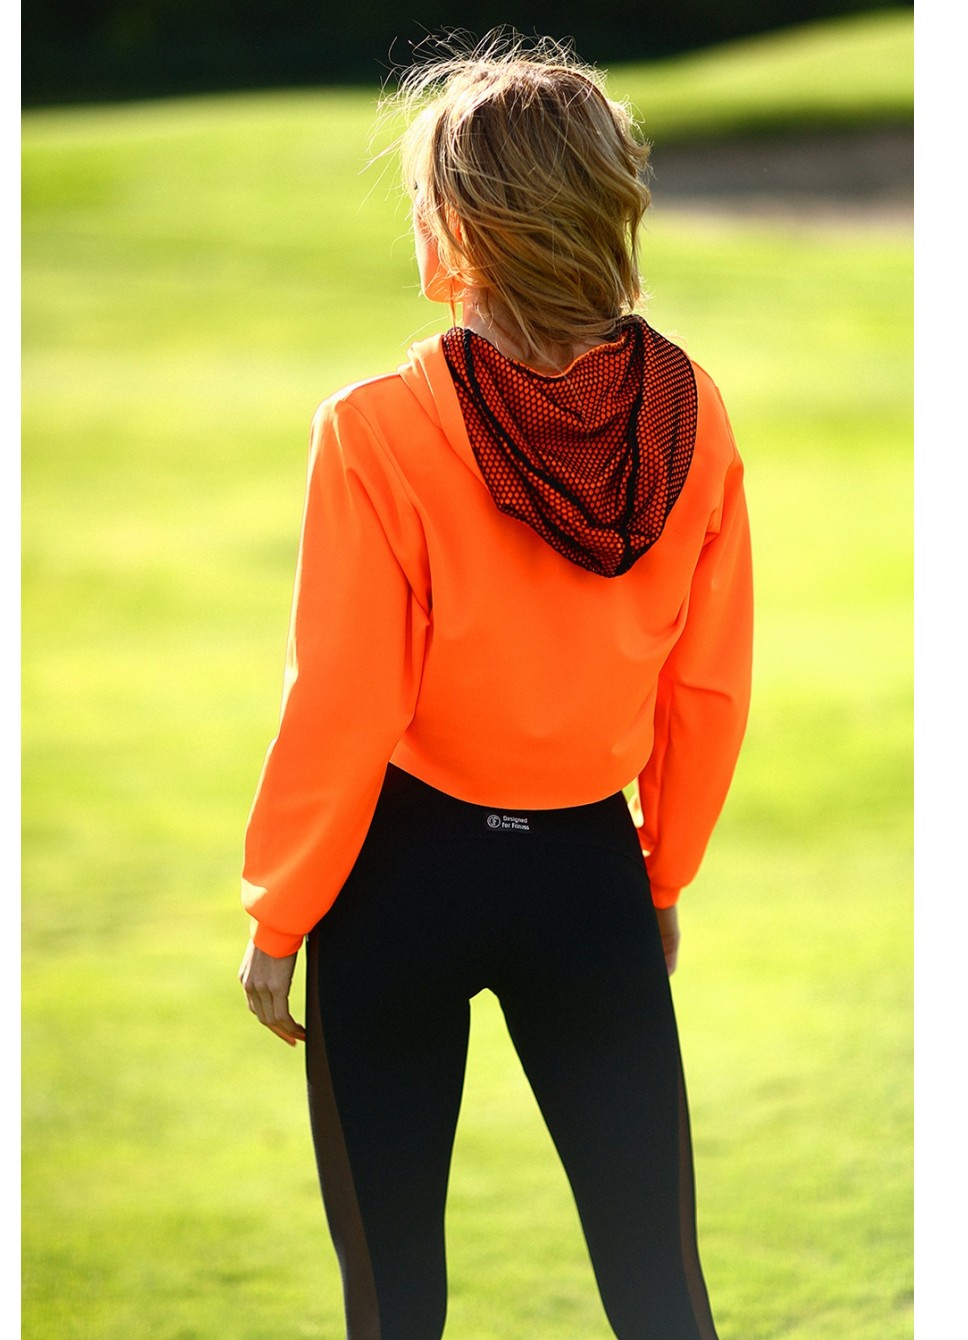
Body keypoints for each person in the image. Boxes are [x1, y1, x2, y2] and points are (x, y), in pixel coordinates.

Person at [238, 33, 751, 1340]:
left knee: (395, 1299)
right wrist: (661, 877)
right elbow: (707, 689)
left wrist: (281, 913)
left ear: (458, 228)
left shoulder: (373, 428)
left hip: (396, 881)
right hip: (589, 879)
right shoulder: (693, 413)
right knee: (661, 1290)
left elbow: (343, 700)